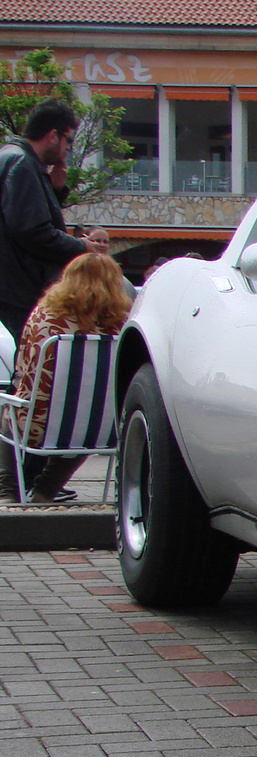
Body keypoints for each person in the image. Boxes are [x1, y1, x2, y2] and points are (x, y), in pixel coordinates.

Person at [0, 252, 131, 504]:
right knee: (83, 422)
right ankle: (45, 490)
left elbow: (24, 370)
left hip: (38, 425)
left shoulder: (45, 317)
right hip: (102, 430)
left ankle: (7, 491)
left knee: (8, 409)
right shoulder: (123, 324)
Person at [0, 99, 87, 347]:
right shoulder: (23, 165)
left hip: (11, 284)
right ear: (52, 135)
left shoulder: (11, 157)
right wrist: (81, 248)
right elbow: (31, 230)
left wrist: (55, 191)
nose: (67, 149)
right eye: (68, 140)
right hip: (18, 287)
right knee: (35, 361)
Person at [82, 227, 137, 301]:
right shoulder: (78, 272)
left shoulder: (120, 279)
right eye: (97, 241)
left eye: (105, 242)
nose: (102, 245)